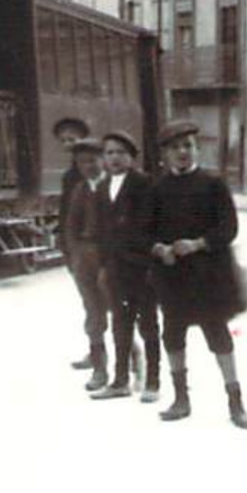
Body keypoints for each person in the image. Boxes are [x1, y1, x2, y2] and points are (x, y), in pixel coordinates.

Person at [149, 120, 247, 429]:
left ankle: (236, 403)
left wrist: (197, 244)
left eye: (188, 146)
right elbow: (142, 230)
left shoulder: (213, 184)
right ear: (165, 154)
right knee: (173, 335)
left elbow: (229, 229)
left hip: (208, 276)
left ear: (197, 149)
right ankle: (181, 399)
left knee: (218, 335)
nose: (182, 152)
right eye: (175, 148)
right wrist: (159, 249)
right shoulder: (157, 188)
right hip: (171, 277)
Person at [88, 130, 161, 403]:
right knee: (120, 324)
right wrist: (104, 265)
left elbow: (151, 226)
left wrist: (149, 261)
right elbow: (102, 232)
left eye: (120, 152)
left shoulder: (145, 185)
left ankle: (153, 381)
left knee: (149, 324)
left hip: (143, 268)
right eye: (109, 153)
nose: (115, 158)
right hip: (116, 269)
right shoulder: (103, 187)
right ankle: (120, 381)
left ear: (131, 157)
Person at [61, 138, 111, 391]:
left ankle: (134, 358)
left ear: (103, 160)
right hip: (84, 257)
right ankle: (100, 367)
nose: (88, 166)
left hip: (109, 257)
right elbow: (70, 226)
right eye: (82, 162)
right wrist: (74, 257)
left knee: (118, 310)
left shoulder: (112, 187)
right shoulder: (79, 190)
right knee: (92, 311)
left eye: (92, 160)